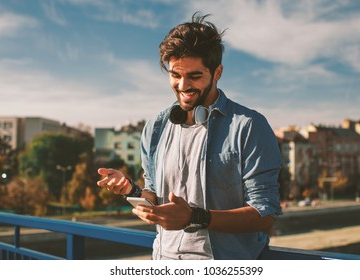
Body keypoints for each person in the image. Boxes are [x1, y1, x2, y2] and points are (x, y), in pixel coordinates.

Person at [97, 13, 282, 260]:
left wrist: (196, 217)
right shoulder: (154, 128)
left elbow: (265, 214)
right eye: (175, 75)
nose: (183, 86)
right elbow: (154, 194)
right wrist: (131, 189)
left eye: (194, 76)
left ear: (217, 72)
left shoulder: (249, 126)